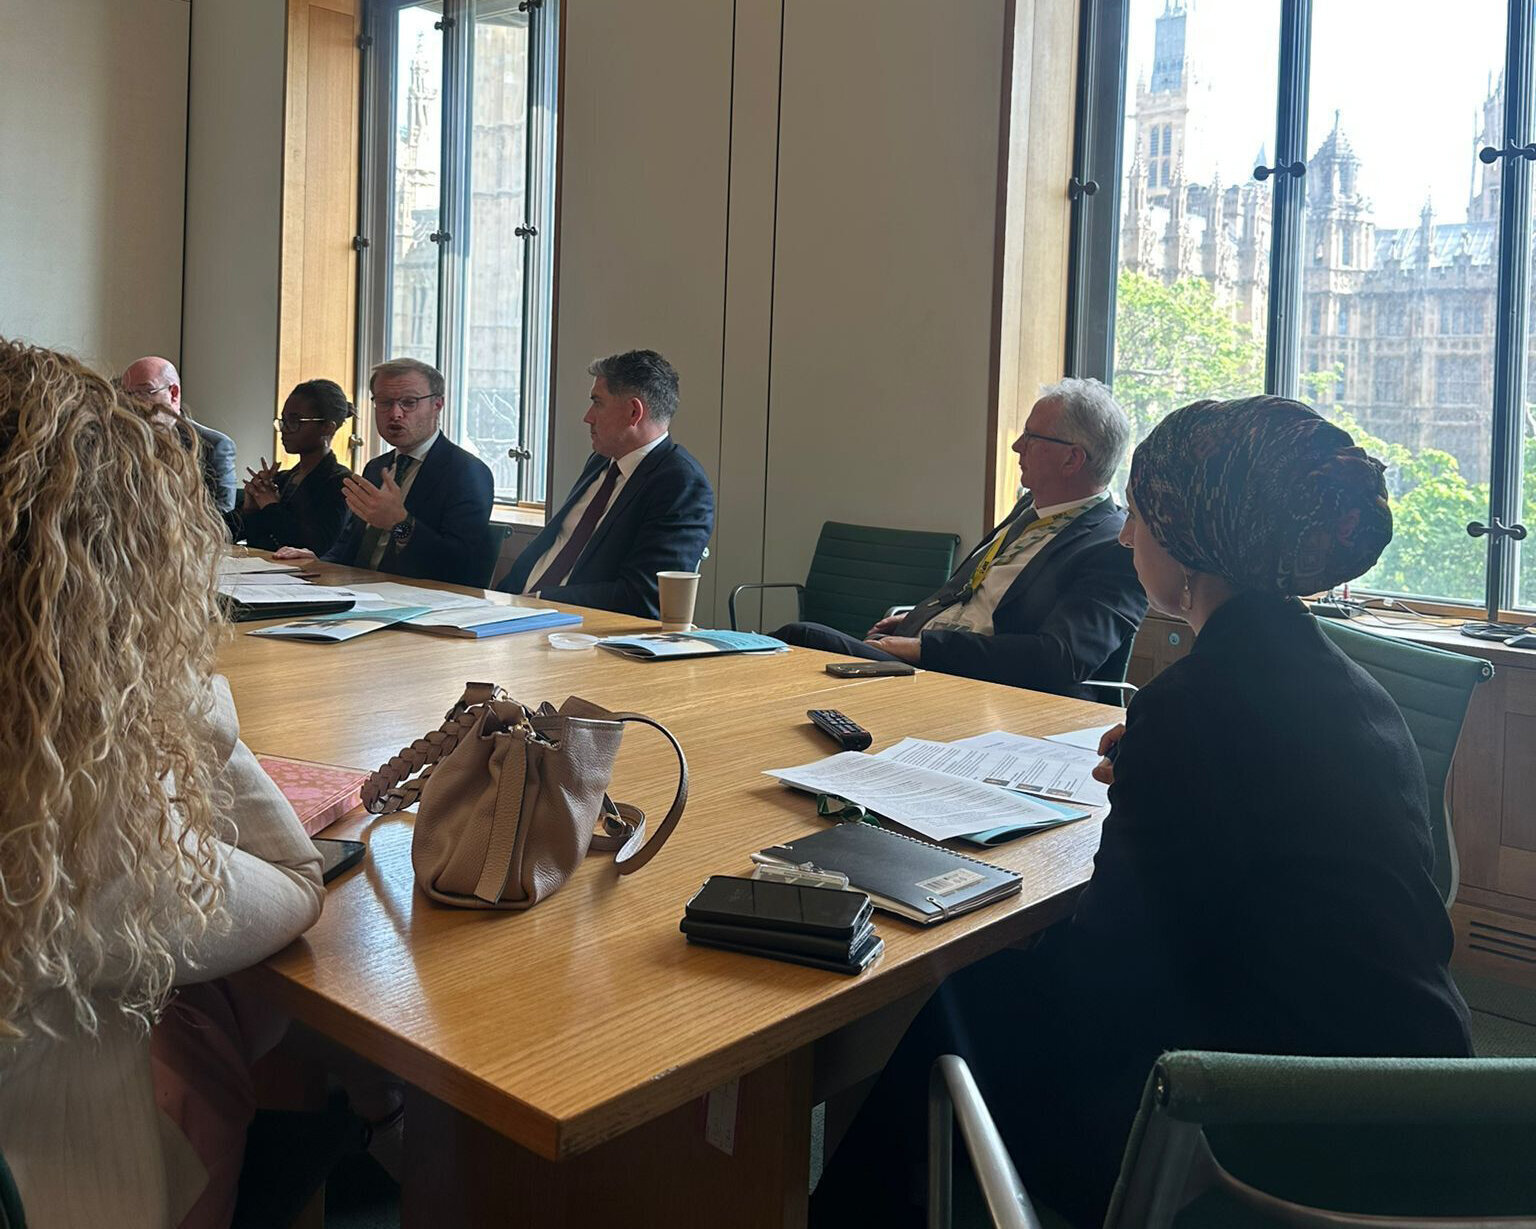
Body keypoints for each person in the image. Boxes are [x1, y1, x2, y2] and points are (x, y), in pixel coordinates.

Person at [810, 395, 1472, 1229]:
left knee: (957, 1002)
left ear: (1192, 543)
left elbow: (1108, 965)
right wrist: (1154, 770)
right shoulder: (1352, 689)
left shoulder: (1194, 707)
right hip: (1421, 1097)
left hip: (1267, 1136)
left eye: (1140, 517)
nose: (1126, 537)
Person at [0, 338, 325, 1227]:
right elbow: (294, 881)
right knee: (203, 1031)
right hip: (62, 1193)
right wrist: (173, 687)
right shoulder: (64, 821)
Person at [775, 378, 1146, 700]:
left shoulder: (1114, 547)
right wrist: (919, 619)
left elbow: (1057, 658)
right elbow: (981, 596)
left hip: (978, 687)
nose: (1017, 446)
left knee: (799, 638)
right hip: (935, 665)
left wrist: (926, 646)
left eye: (1032, 437)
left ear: (1071, 460)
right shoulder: (1030, 510)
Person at [496, 349, 714, 618]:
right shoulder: (600, 461)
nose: (587, 417)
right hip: (514, 610)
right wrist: (500, 599)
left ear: (634, 412)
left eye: (597, 403)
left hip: (574, 628)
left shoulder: (681, 485)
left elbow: (645, 595)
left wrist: (540, 601)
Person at [275, 357, 495, 588]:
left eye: (409, 403)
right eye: (385, 402)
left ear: (437, 405)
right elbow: (348, 548)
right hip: (359, 591)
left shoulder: (467, 473)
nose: (395, 413)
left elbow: (459, 564)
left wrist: (400, 523)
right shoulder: (376, 467)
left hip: (419, 597)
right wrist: (319, 563)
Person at [225, 378, 353, 554]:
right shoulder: (281, 479)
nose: (285, 429)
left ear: (327, 428)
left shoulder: (341, 482)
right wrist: (248, 509)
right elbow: (224, 534)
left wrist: (270, 505)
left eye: (295, 421)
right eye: (283, 421)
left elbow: (315, 547)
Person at [122, 355, 239, 512]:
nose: (132, 403)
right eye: (127, 394)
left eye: (144, 392)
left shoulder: (214, 446)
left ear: (174, 394)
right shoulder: (119, 440)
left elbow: (223, 514)